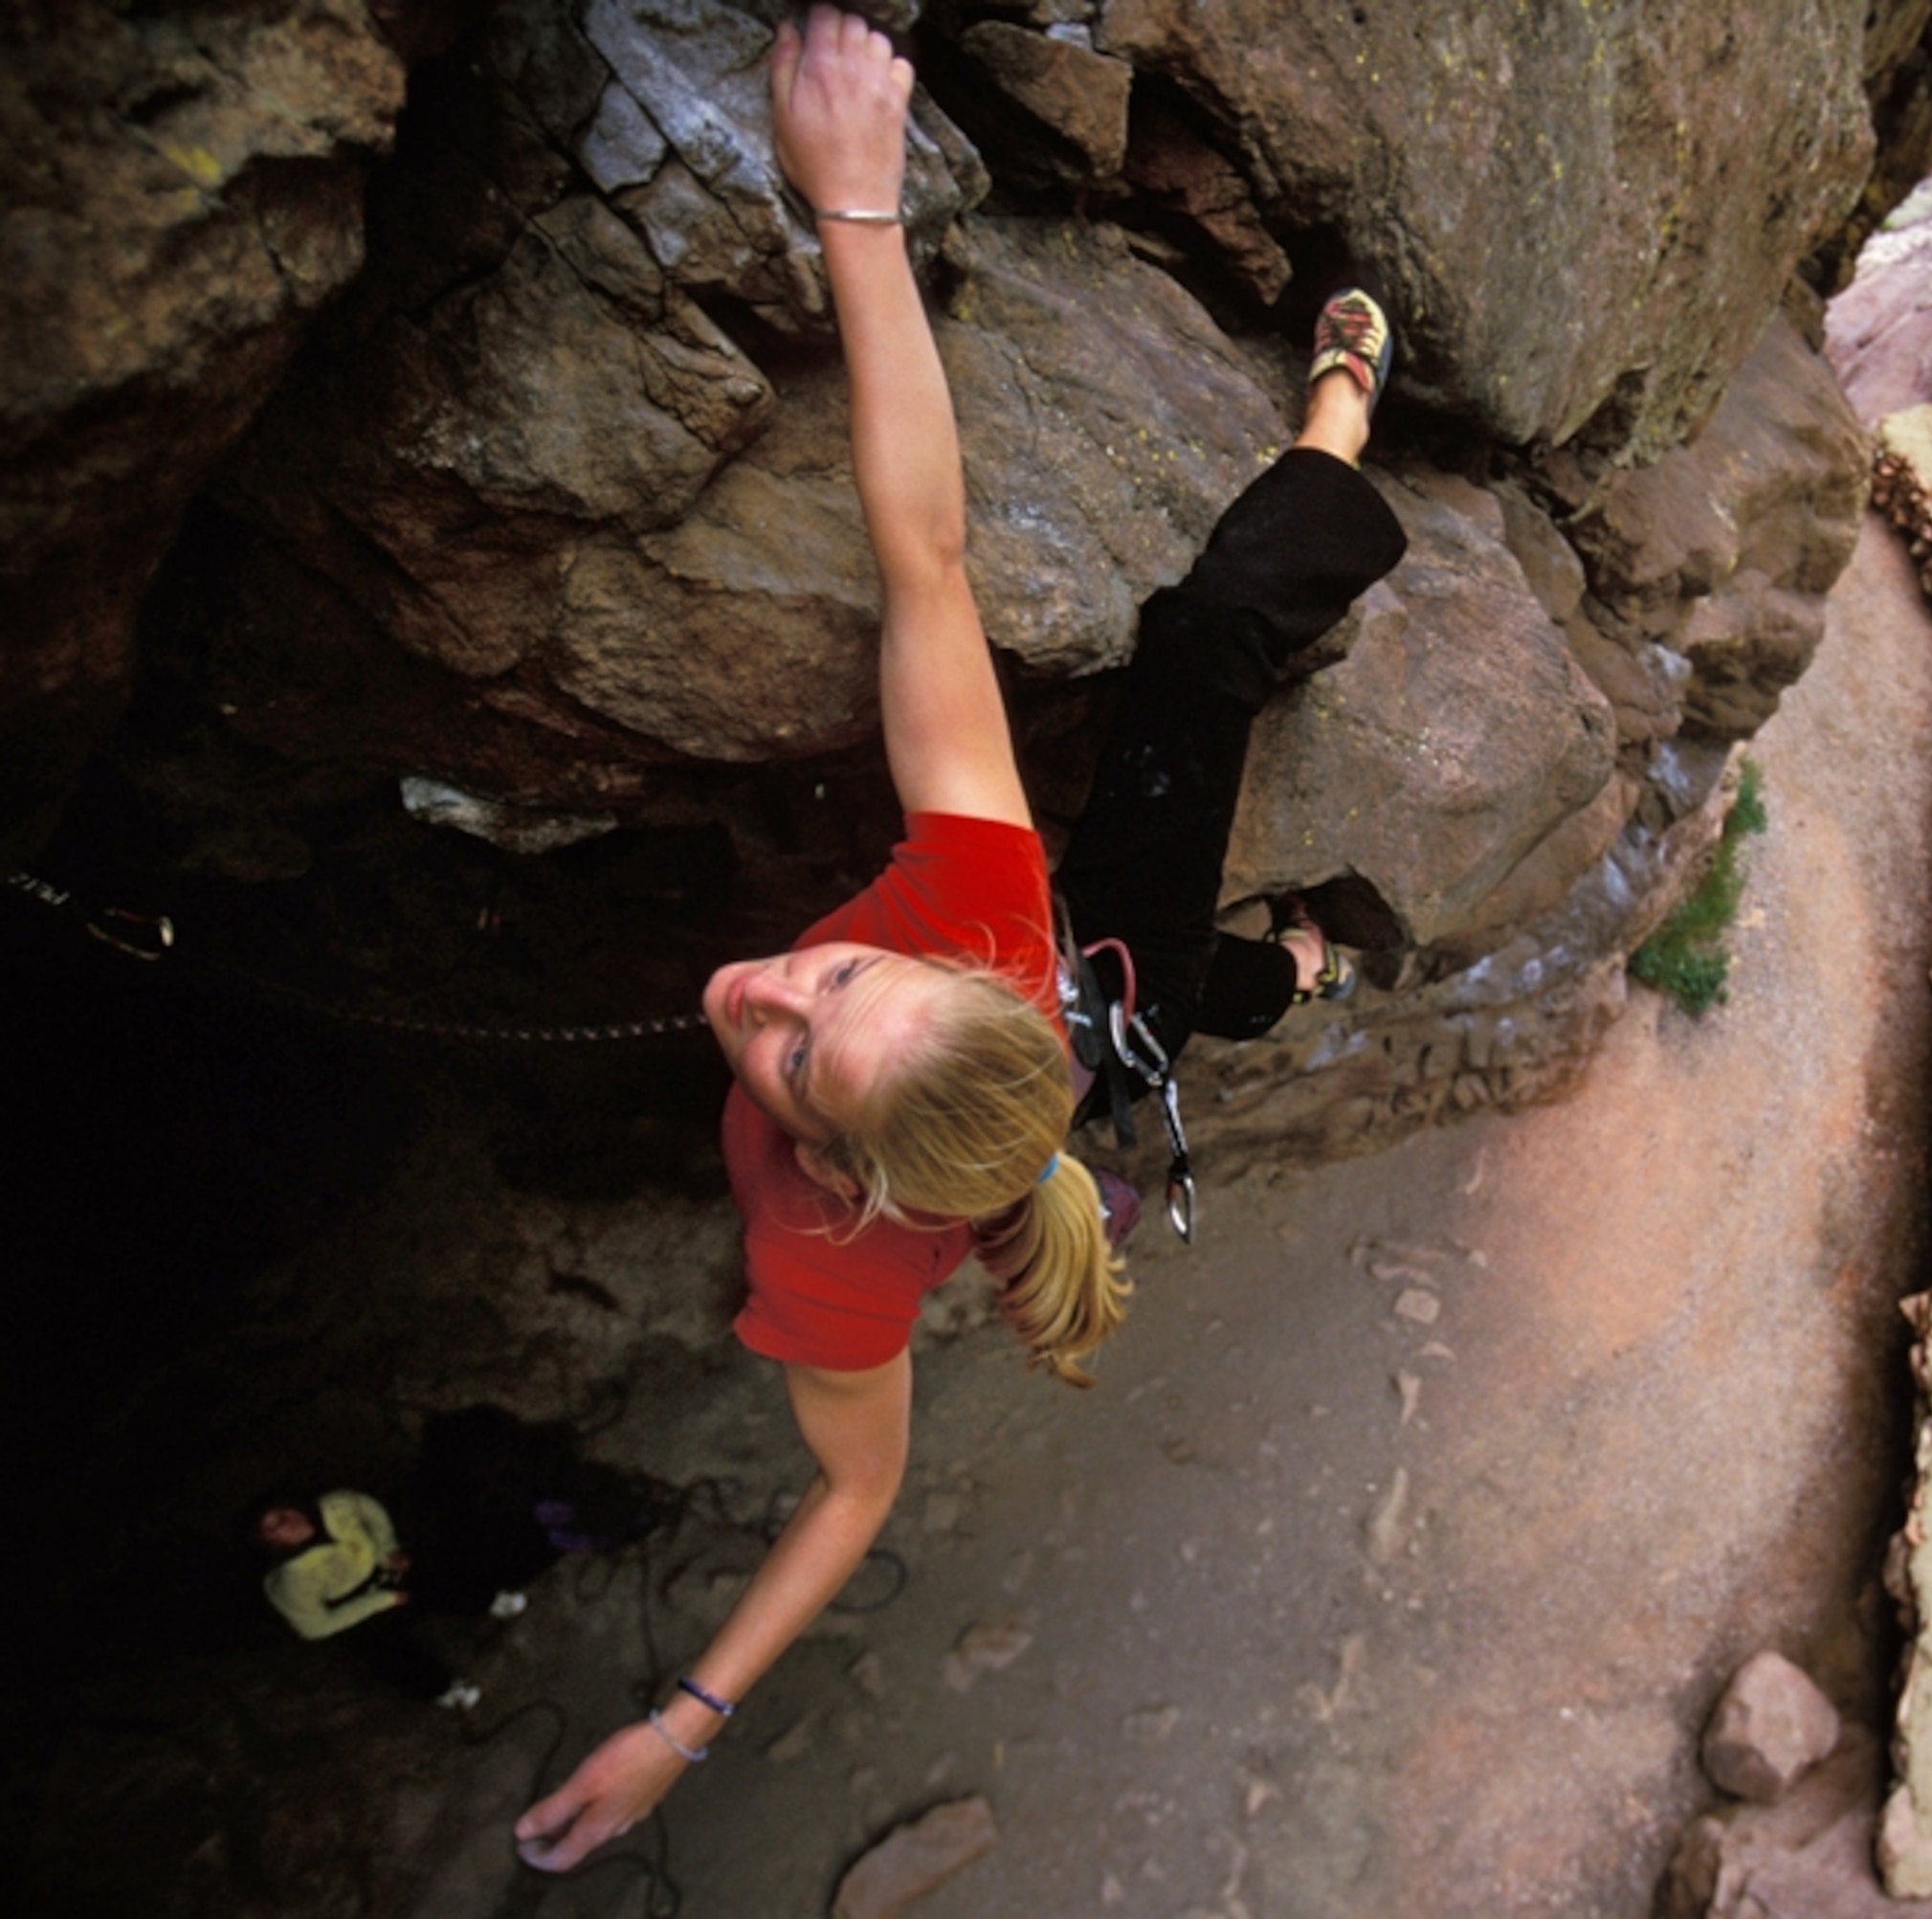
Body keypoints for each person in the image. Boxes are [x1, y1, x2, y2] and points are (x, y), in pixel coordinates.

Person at [514, 6, 1404, 1870]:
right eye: (813, 1003)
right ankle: (1316, 934)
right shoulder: (910, 1065)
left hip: (1069, 1000)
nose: (760, 985)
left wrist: (684, 1723)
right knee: (1204, 771)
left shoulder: (896, 1091)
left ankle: (1301, 925)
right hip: (1099, 981)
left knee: (1188, 884)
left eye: (798, 1027)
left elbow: (853, 1490)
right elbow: (923, 547)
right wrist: (856, 205)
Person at [257, 1489, 477, 1708]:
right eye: (273, 1527)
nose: (286, 1522)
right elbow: (314, 1627)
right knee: (383, 1652)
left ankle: (490, 1601)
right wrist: (383, 1601)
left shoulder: (334, 1507)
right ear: (272, 1541)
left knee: (433, 1568)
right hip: (351, 1605)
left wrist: (388, 1548)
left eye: (281, 1513)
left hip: (380, 1568)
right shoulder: (292, 1581)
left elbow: (369, 1510)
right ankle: (443, 1690)